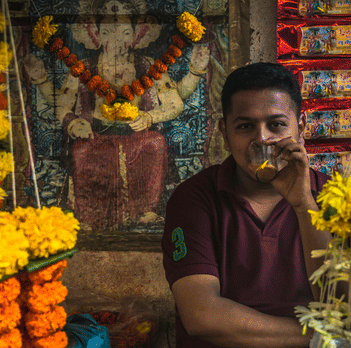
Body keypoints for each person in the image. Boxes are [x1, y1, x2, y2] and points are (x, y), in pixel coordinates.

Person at [160, 62, 331, 348]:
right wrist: (318, 336)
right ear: (224, 133)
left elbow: (344, 303)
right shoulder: (195, 199)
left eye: (276, 125)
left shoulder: (332, 196)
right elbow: (203, 315)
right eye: (244, 127)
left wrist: (304, 204)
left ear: (299, 127)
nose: (263, 139)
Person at [24, 0, 211, 230]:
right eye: (107, 33)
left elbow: (175, 104)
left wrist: (150, 118)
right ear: (96, 36)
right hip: (96, 136)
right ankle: (88, 216)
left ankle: (148, 211)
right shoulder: (82, 67)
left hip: (138, 137)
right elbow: (62, 105)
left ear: (136, 36)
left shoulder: (150, 66)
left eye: (124, 32)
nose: (115, 40)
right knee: (81, 150)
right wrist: (73, 123)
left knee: (156, 143)